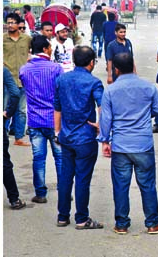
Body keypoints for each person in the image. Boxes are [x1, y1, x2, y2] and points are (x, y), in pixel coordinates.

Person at [99, 52, 158, 235]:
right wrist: (145, 116)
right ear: (133, 65)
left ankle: (121, 224)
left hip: (120, 145)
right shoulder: (148, 87)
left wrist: (105, 141)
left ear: (116, 69)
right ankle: (153, 223)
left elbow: (106, 119)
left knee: (121, 185)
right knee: (147, 184)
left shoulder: (111, 90)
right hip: (143, 144)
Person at [54, 46, 104, 229]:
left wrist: (57, 132)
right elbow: (102, 106)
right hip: (85, 137)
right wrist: (101, 126)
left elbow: (57, 108)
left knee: (66, 177)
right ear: (91, 63)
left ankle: (62, 216)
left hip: (67, 136)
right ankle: (82, 218)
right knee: (83, 178)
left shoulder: (62, 80)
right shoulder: (94, 82)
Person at [20, 36, 64, 204]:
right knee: (60, 158)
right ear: (46, 49)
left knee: (38, 158)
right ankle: (64, 190)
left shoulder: (24, 69)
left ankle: (40, 193)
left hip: (35, 121)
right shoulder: (56, 69)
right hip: (55, 122)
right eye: (50, 47)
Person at [3, 13, 32, 147]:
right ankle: (3, 137)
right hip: (8, 80)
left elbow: (33, 52)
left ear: (18, 24)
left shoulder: (26, 39)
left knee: (21, 110)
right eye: (8, 22)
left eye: (13, 22)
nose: (10, 25)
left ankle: (19, 137)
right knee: (5, 109)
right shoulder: (2, 39)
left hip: (23, 80)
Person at [2, 67, 25, 209]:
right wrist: (8, 113)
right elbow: (15, 93)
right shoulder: (3, 70)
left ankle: (14, 198)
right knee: (4, 162)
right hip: (0, 119)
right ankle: (14, 199)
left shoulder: (2, 69)